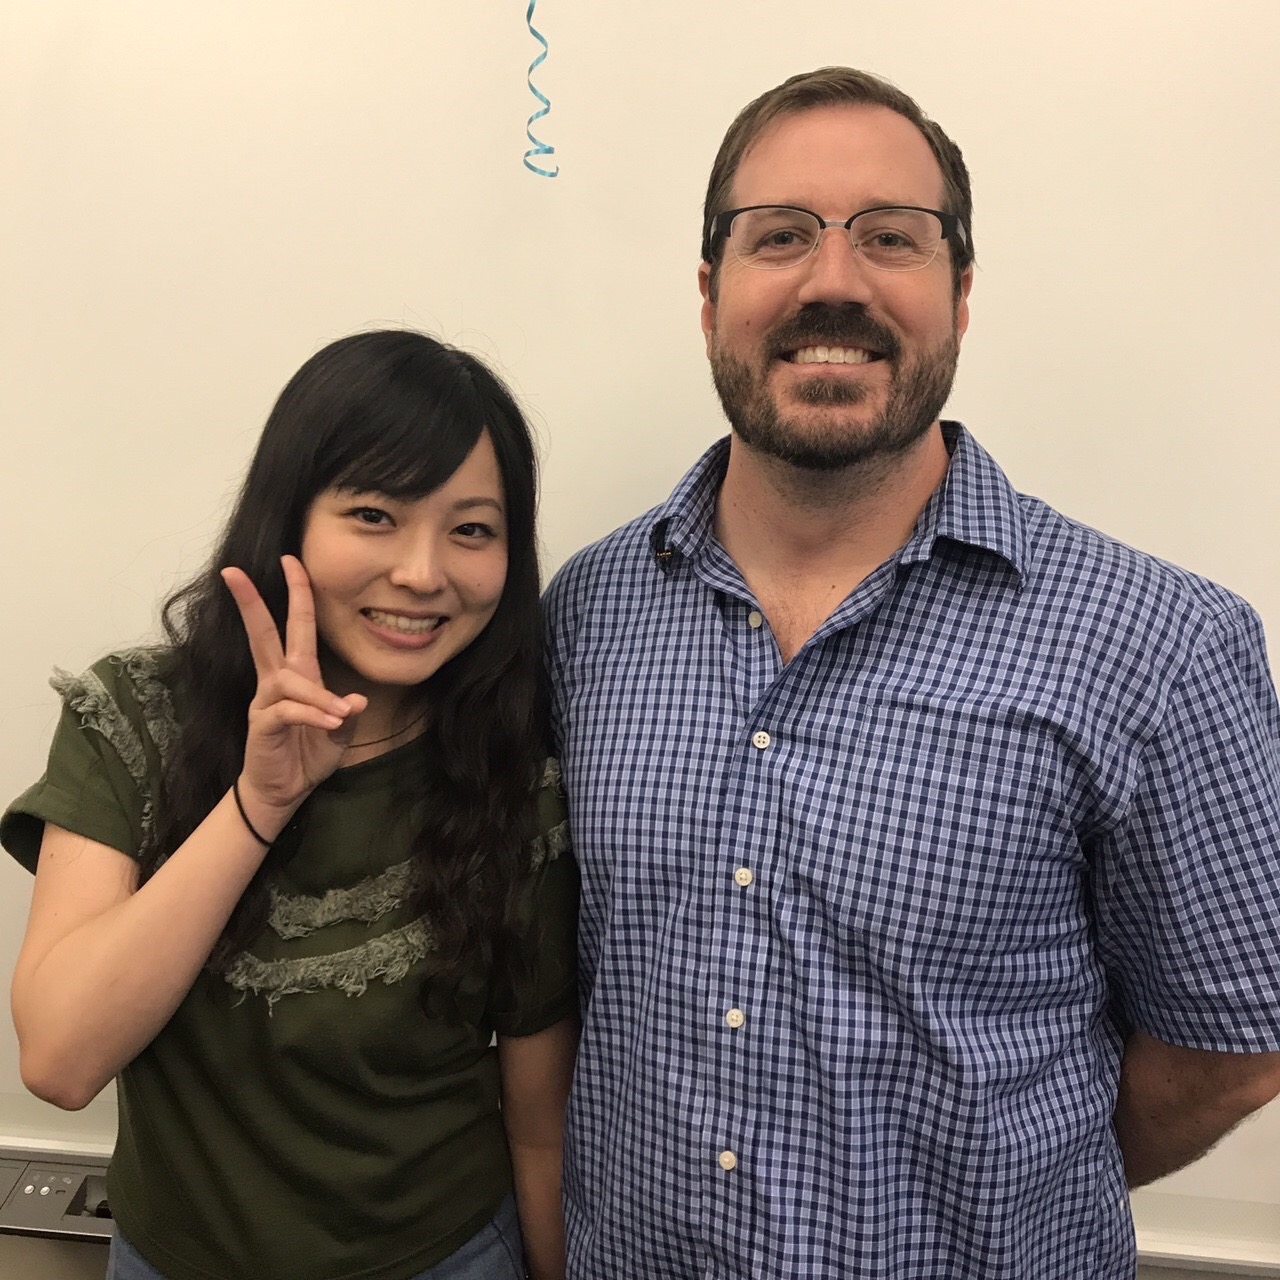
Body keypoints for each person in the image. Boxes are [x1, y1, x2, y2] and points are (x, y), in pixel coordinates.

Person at [544, 67, 1280, 1278]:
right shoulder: (589, 613)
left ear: (960, 291)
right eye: (778, 234)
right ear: (708, 292)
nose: (831, 280)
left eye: (890, 237)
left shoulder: (1160, 646)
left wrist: (1011, 1179)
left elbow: (1227, 1049)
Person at [4, 330, 578, 1280]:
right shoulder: (137, 719)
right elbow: (61, 1060)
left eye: (472, 529)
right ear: (290, 515)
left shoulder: (517, 777)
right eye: (374, 514)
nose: (423, 572)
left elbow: (537, 1128)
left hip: (445, 1258)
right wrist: (257, 803)